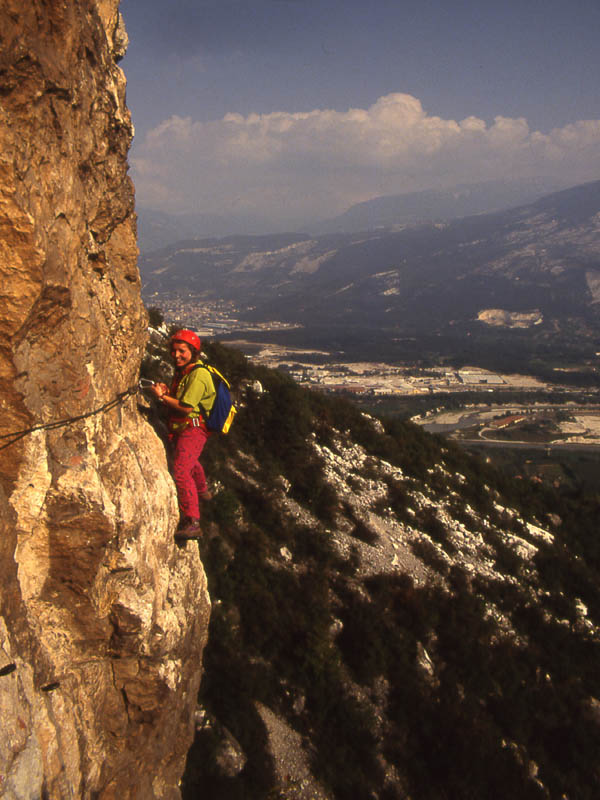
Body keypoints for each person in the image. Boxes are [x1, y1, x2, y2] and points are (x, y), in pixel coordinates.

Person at [151, 329, 215, 540]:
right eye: (174, 351)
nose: (176, 355)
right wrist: (167, 393)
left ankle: (192, 521)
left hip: (193, 429)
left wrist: (162, 397)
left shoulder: (199, 375)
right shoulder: (185, 372)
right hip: (184, 428)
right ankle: (203, 490)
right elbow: (182, 399)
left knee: (180, 470)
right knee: (188, 460)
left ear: (193, 352)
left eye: (182, 351)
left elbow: (186, 408)